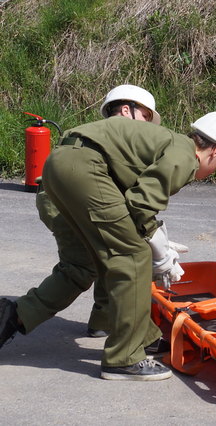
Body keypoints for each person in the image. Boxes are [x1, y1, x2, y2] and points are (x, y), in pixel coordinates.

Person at [0, 110, 216, 381]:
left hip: (60, 165)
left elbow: (130, 202)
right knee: (132, 256)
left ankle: (12, 316)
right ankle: (124, 359)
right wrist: (156, 245)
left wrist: (151, 233)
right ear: (215, 152)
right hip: (85, 167)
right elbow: (140, 204)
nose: (212, 172)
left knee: (82, 264)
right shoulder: (185, 154)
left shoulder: (165, 141)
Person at [36, 84, 165, 339]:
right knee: (81, 267)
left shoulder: (107, 135)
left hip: (59, 194)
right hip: (63, 200)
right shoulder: (118, 139)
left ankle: (104, 320)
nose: (148, 125)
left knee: (113, 250)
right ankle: (16, 315)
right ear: (126, 110)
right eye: (146, 117)